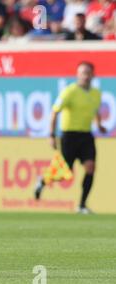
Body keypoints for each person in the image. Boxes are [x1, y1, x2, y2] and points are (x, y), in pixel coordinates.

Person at [34, 61, 107, 214]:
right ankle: (42, 181)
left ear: (93, 75)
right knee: (65, 174)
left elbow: (96, 111)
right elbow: (54, 112)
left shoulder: (96, 94)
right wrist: (52, 135)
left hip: (86, 135)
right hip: (69, 136)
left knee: (90, 167)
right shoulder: (69, 92)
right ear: (77, 75)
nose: (85, 76)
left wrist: (99, 125)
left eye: (88, 73)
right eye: (82, 73)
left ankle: (82, 205)